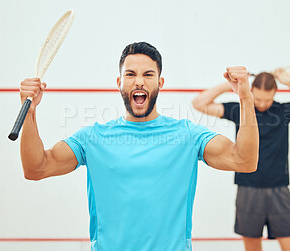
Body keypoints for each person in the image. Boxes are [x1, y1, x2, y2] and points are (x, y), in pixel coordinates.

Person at [18, 42, 259, 251]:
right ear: (119, 82)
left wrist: (246, 99)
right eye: (131, 74)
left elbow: (244, 161)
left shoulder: (187, 135)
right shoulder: (93, 138)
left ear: (160, 82)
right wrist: (30, 112)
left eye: (148, 74)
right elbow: (37, 168)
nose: (139, 82)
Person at [192, 69, 290, 251]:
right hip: (248, 190)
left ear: (275, 93)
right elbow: (199, 103)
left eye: (267, 99)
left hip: (279, 190)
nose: (262, 104)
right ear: (251, 93)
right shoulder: (240, 110)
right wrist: (232, 84)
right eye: (257, 99)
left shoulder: (283, 111)